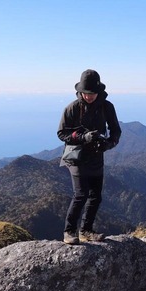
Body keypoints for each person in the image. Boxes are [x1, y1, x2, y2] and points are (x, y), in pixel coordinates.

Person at [57, 69, 121, 245]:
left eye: (92, 93)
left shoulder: (106, 107)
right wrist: (82, 137)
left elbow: (116, 130)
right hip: (76, 157)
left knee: (96, 196)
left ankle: (86, 230)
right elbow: (62, 134)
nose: (88, 96)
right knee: (81, 194)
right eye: (86, 93)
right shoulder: (72, 108)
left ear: (98, 91)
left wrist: (108, 144)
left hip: (96, 155)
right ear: (80, 91)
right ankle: (69, 232)